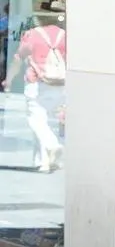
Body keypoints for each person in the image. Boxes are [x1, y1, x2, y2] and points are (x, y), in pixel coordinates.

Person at [3, 15, 66, 172]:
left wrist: (9, 80)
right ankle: (44, 162)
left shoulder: (32, 35)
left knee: (36, 120)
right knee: (48, 121)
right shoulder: (64, 35)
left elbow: (18, 58)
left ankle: (52, 145)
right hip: (60, 83)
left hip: (36, 82)